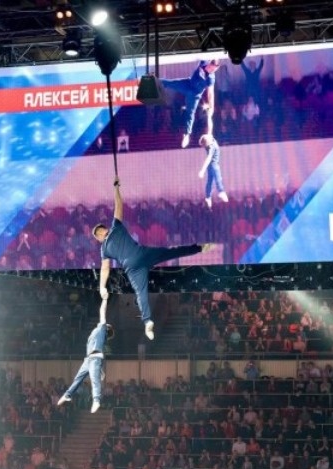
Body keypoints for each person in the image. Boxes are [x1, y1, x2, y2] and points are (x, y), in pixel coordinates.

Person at [95, 180, 209, 340]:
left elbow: (105, 269)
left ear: (99, 237)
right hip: (141, 254)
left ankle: (147, 321)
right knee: (170, 253)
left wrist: (102, 287)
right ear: (104, 230)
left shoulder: (104, 249)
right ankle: (199, 248)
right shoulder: (115, 227)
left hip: (131, 267)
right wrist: (116, 188)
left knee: (141, 293)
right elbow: (118, 205)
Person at [57, 299, 112, 414]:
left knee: (94, 380)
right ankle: (68, 394)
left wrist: (105, 300)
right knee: (78, 378)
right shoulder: (96, 332)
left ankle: (96, 400)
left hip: (94, 358)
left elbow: (102, 310)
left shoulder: (102, 329)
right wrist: (101, 370)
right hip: (88, 359)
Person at [163, 59, 221, 148]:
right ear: (209, 64)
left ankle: (186, 134)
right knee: (171, 83)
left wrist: (211, 106)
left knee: (190, 113)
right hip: (188, 84)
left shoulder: (211, 78)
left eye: (214, 70)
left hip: (195, 94)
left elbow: (210, 93)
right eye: (211, 68)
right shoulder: (203, 62)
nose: (211, 71)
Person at [198, 134, 229, 209]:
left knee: (210, 181)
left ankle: (208, 197)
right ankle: (221, 191)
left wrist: (209, 121)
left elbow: (210, 127)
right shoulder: (211, 146)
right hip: (214, 164)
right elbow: (208, 158)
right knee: (218, 178)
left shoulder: (210, 139)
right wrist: (202, 170)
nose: (205, 147)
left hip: (210, 165)